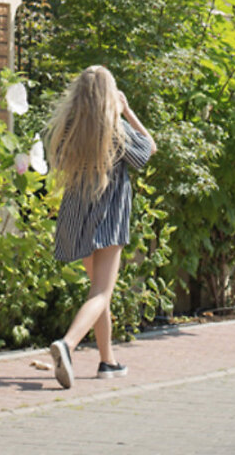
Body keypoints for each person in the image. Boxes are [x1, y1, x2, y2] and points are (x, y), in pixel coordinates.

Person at [45, 64, 155, 389]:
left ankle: (108, 361)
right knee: (102, 292)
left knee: (97, 290)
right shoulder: (116, 129)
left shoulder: (70, 130)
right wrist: (128, 110)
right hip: (108, 215)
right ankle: (67, 344)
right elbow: (149, 149)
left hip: (77, 214)